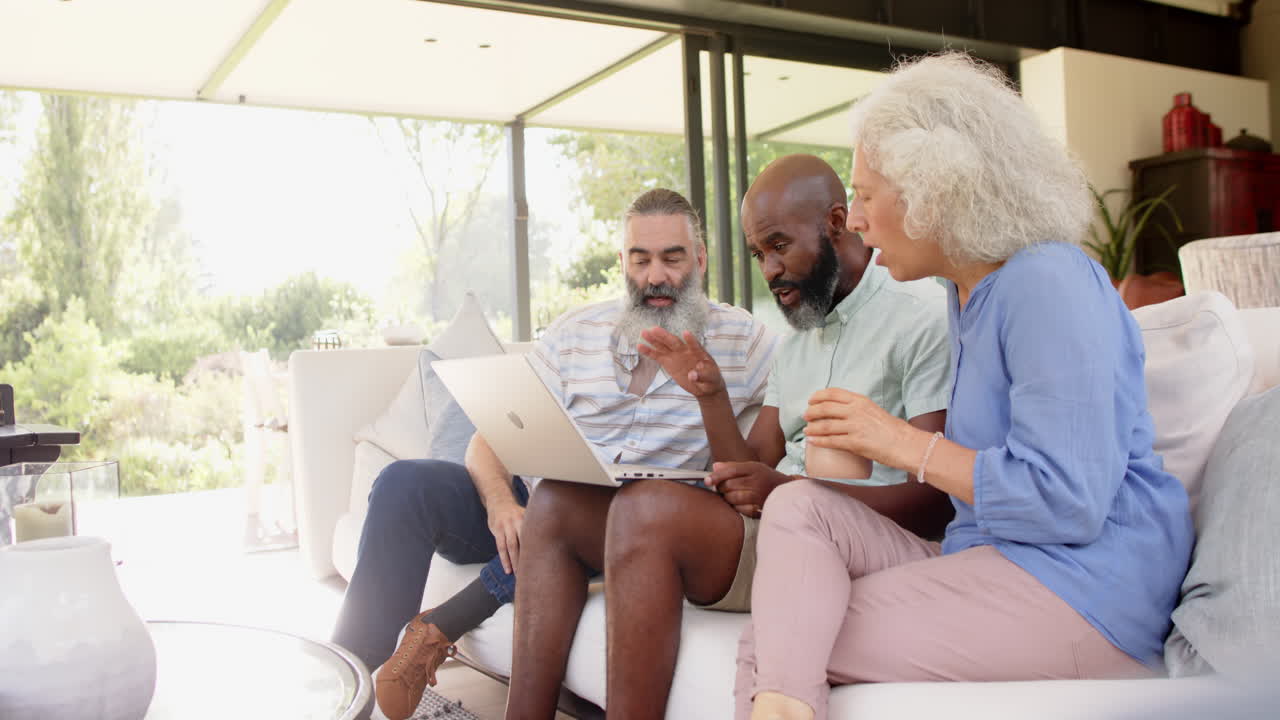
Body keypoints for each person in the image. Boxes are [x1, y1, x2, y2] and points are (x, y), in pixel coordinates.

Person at [737, 53, 1195, 720]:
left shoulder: (1048, 282)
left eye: (865, 195)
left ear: (936, 188)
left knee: (777, 643)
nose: (856, 222)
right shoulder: (969, 293)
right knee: (796, 510)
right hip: (996, 560)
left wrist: (899, 442)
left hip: (1087, 591)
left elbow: (1068, 502)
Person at [503, 153, 953, 720]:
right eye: (759, 254)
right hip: (778, 530)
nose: (769, 270)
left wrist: (784, 494)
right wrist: (711, 395)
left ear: (836, 222)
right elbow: (749, 468)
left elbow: (937, 502)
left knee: (648, 511)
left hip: (845, 544)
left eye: (779, 245)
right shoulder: (799, 344)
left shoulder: (922, 317)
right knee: (558, 502)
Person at [330, 188, 774, 720]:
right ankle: (347, 687)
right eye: (641, 258)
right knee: (404, 485)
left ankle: (441, 625)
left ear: (699, 260)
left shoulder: (745, 341)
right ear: (623, 263)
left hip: (629, 523)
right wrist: (501, 505)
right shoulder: (574, 332)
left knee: (562, 509)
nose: (656, 275)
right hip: (533, 503)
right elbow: (487, 439)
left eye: (672, 258)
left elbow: (761, 462)